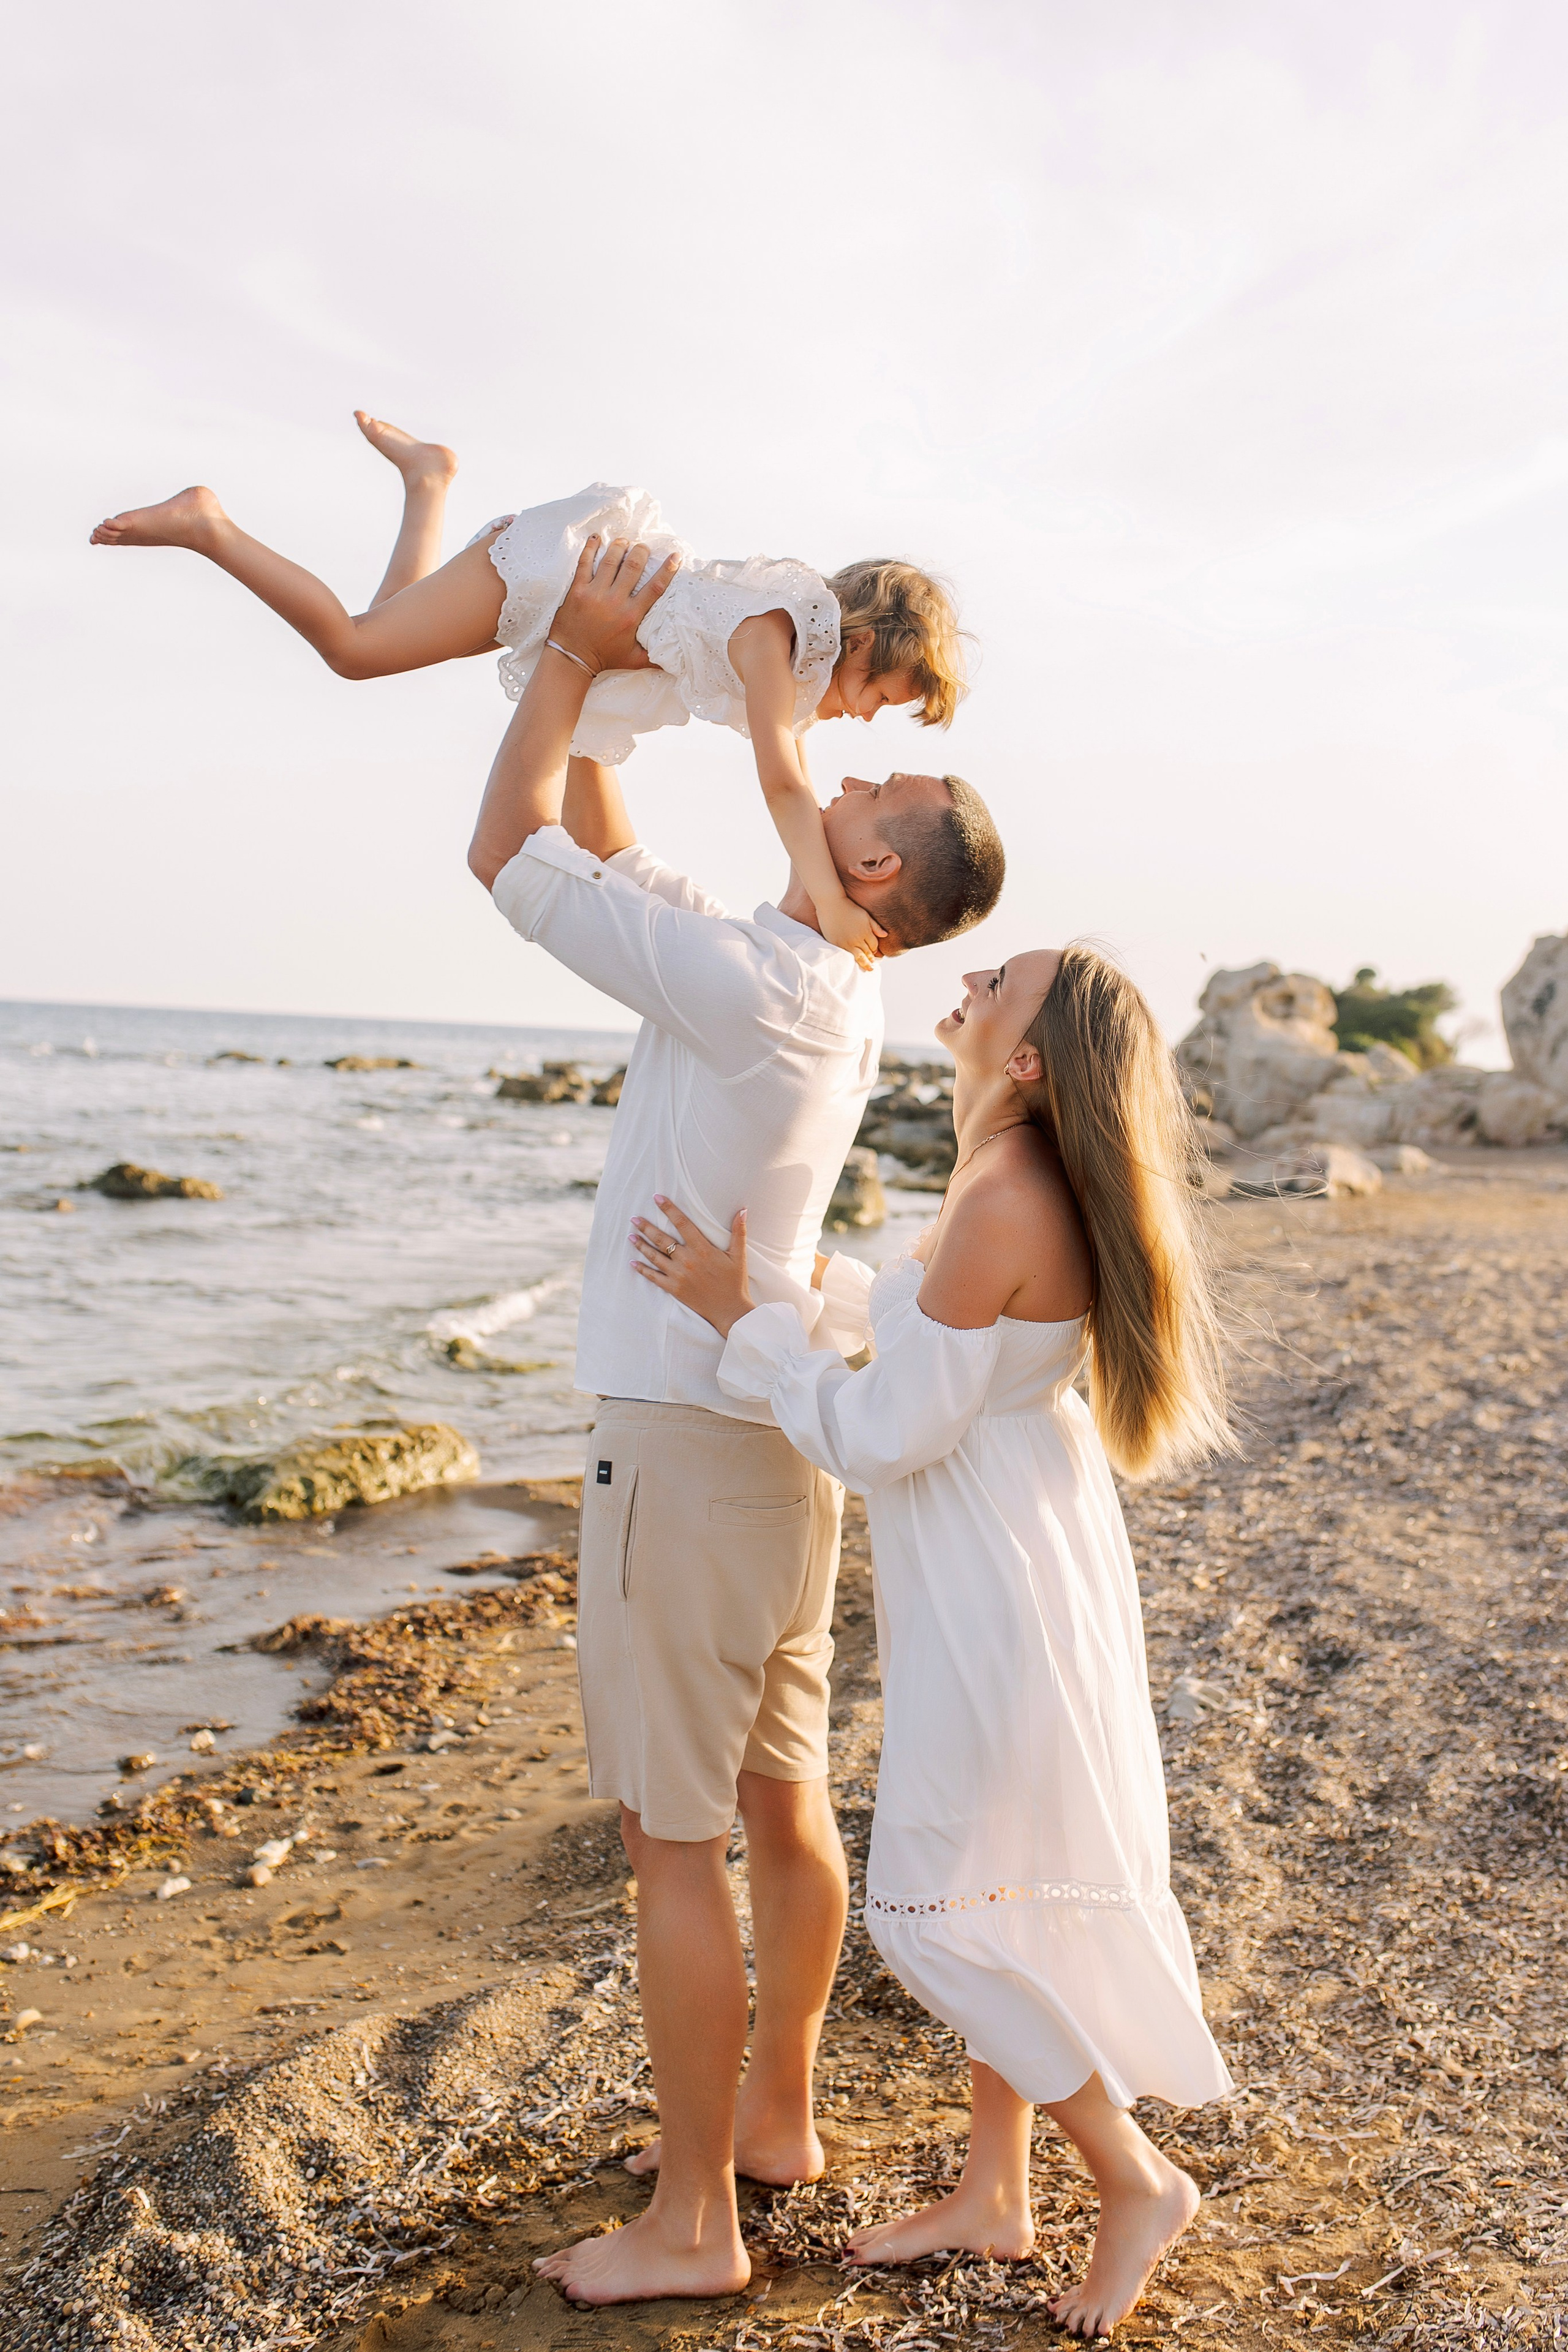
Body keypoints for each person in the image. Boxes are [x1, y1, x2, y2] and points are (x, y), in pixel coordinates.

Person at [462, 530, 1005, 2306]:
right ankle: (774, 2120)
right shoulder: (817, 976)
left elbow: (507, 848)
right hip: (765, 1442)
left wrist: (562, 664)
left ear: (866, 858)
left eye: (888, 778)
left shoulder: (763, 984)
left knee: (672, 1842)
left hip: (683, 1441)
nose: (852, 761)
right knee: (779, 1800)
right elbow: (609, 841)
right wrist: (610, 664)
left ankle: (693, 2223)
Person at [630, 943, 1236, 2340]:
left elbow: (876, 1432)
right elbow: (935, 1344)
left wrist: (742, 1322)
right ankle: (995, 2194)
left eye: (1000, 983)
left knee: (932, 1912)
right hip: (1022, 1554)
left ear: (1022, 1061)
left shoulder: (1000, 1191)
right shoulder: (1014, 1182)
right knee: (999, 1887)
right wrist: (792, 1283)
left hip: (990, 1588)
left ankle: (1133, 2176)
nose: (969, 977)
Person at [90, 413, 967, 968]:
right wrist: (839, 913)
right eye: (875, 689)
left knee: (388, 623)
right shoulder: (778, 628)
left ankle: (428, 479)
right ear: (858, 634)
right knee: (356, 651)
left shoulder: (792, 658)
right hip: (561, 570)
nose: (862, 713)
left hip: (568, 590)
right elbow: (785, 786)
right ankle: (210, 524)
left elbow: (797, 782)